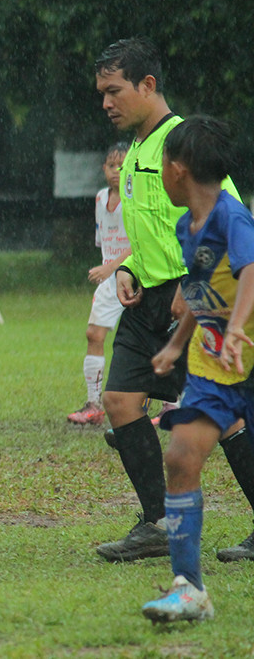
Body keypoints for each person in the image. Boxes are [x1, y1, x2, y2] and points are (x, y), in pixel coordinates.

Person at [93, 37, 254, 563]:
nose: (106, 103)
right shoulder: (136, 149)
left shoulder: (183, 144)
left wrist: (194, 284)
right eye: (102, 93)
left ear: (148, 85)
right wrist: (130, 269)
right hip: (149, 302)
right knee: (118, 401)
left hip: (195, 297)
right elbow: (154, 235)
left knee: (225, 416)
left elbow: (228, 220)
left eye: (114, 91)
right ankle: (158, 522)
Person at [142, 116, 254, 622]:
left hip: (243, 350)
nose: (159, 174)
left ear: (178, 168)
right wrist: (178, 344)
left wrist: (237, 326)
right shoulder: (187, 226)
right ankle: (189, 589)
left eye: (161, 165)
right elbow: (200, 290)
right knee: (182, 456)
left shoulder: (233, 218)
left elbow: (251, 269)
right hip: (216, 363)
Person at [68, 142, 132, 425]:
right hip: (109, 281)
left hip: (136, 278)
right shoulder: (100, 199)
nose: (116, 171)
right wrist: (108, 268)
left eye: (122, 165)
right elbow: (103, 241)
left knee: (153, 340)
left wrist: (111, 267)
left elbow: (142, 243)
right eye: (111, 166)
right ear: (103, 169)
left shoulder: (136, 199)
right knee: (94, 335)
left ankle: (171, 404)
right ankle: (93, 404)